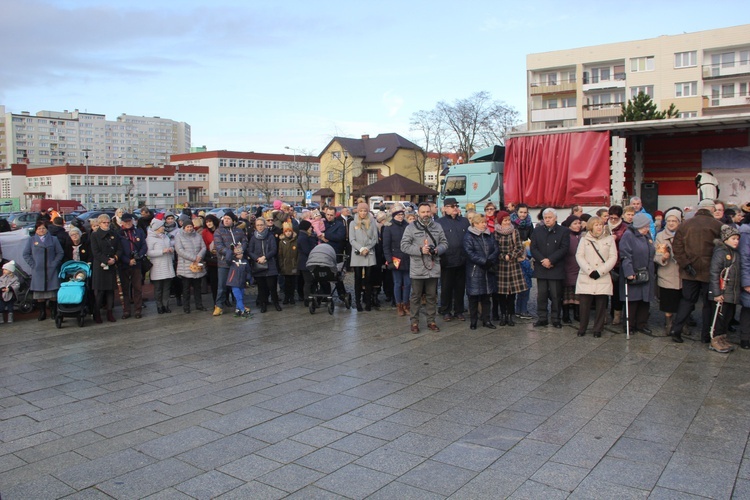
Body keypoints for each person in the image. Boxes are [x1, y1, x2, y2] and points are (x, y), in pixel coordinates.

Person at [669, 198, 724, 343]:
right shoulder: (718, 225)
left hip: (689, 270)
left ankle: (676, 329)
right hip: (709, 271)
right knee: (708, 304)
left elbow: (677, 248)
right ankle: (706, 335)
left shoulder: (685, 224)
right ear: (711, 209)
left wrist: (685, 264)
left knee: (687, 301)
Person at [401, 202, 448, 333]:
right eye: (423, 212)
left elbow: (445, 243)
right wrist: (420, 250)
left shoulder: (438, 227)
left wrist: (437, 249)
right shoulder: (411, 228)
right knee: (415, 296)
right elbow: (404, 246)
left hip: (433, 267)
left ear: (431, 213)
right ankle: (414, 322)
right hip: (417, 267)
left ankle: (431, 321)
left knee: (432, 296)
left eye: (428, 212)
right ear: (418, 213)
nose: (426, 214)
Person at [575, 216, 617, 337]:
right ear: (591, 227)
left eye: (600, 224)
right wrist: (589, 270)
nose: (599, 227)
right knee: (584, 305)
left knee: (601, 305)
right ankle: (582, 327)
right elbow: (579, 256)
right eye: (596, 225)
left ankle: (598, 328)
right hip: (586, 275)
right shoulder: (584, 239)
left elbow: (613, 257)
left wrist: (600, 271)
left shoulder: (609, 239)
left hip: (602, 276)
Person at [530, 208, 569, 328]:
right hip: (541, 267)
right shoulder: (537, 231)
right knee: (541, 294)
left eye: (550, 217)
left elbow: (564, 248)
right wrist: (543, 260)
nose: (547, 220)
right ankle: (542, 318)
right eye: (545, 217)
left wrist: (551, 260)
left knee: (556, 295)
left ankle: (556, 318)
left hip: (556, 267)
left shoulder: (563, 231)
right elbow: (533, 248)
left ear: (555, 218)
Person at [619, 213, 656, 335]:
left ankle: (642, 323)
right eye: (645, 226)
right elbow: (625, 255)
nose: (647, 229)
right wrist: (629, 272)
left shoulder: (646, 235)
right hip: (635, 272)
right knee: (633, 300)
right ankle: (629, 325)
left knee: (645, 300)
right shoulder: (628, 236)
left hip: (647, 272)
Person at [708, 225, 742, 353]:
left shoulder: (734, 253)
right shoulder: (721, 253)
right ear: (725, 239)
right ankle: (715, 339)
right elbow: (714, 273)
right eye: (733, 238)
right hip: (722, 292)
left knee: (727, 316)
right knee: (718, 317)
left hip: (730, 293)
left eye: (737, 239)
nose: (736, 241)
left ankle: (722, 337)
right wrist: (716, 293)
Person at [463, 213, 499, 330]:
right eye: (482, 222)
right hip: (475, 270)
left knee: (486, 297)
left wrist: (490, 260)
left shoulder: (489, 235)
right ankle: (473, 321)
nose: (485, 224)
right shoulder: (469, 236)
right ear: (475, 224)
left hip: (488, 270)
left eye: (485, 222)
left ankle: (486, 320)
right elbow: (470, 253)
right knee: (473, 297)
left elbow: (496, 248)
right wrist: (484, 261)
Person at [437, 197, 470, 322]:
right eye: (452, 206)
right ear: (445, 208)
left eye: (456, 205)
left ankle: (459, 310)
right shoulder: (440, 223)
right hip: (447, 260)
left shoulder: (464, 221)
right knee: (446, 287)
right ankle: (445, 310)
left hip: (461, 259)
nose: (455, 208)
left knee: (460, 288)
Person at [494, 210, 527, 326]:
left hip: (513, 265)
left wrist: (511, 255)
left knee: (512, 293)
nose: (507, 222)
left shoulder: (515, 232)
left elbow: (519, 247)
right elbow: (493, 249)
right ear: (500, 221)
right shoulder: (496, 233)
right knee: (502, 293)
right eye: (505, 220)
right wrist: (503, 256)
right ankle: (503, 314)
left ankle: (510, 315)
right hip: (501, 265)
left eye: (508, 220)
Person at [212, 212, 247, 316]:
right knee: (222, 286)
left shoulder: (239, 231)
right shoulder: (218, 231)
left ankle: (240, 305)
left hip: (237, 263)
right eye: (225, 218)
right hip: (224, 262)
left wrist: (240, 251)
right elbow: (219, 246)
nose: (226, 220)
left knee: (238, 285)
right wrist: (231, 253)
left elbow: (245, 242)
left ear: (233, 220)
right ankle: (219, 306)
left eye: (228, 218)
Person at [654, 209, 682, 334]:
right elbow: (657, 255)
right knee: (668, 301)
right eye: (669, 221)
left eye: (674, 221)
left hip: (682, 273)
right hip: (667, 273)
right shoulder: (661, 236)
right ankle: (668, 324)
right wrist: (663, 258)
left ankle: (682, 323)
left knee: (682, 300)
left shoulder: (684, 234)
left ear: (679, 222)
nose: (671, 223)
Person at [89, 214, 121, 323]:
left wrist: (115, 258)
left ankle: (109, 312)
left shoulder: (114, 234)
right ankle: (97, 313)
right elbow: (95, 252)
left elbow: (119, 248)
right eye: (104, 222)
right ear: (99, 223)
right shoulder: (94, 235)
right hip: (100, 266)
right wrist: (106, 260)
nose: (106, 224)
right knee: (100, 291)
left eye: (108, 222)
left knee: (110, 291)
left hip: (112, 264)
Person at [349, 202, 378, 311]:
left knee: (369, 279)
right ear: (358, 211)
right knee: (357, 279)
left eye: (365, 211)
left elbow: (375, 238)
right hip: (358, 254)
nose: (363, 213)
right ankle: (358, 302)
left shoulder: (372, 222)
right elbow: (352, 239)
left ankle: (368, 302)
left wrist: (367, 248)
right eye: (361, 210)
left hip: (369, 253)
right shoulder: (353, 223)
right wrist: (361, 249)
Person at [383, 206, 411, 317]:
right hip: (396, 259)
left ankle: (406, 304)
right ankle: (399, 305)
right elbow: (386, 246)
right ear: (394, 215)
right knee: (398, 283)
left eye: (402, 214)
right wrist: (389, 260)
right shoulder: (389, 227)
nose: (400, 216)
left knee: (408, 283)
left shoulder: (407, 226)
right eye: (398, 215)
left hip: (407, 258)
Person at [174, 217, 207, 314]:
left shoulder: (197, 236)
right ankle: (186, 306)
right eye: (187, 227)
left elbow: (203, 247)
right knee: (186, 288)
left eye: (191, 226)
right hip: (186, 266)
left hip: (197, 265)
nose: (189, 228)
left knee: (198, 287)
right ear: (184, 227)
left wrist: (199, 256)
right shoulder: (179, 236)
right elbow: (179, 250)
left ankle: (199, 304)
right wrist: (193, 258)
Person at [117, 213, 147, 319]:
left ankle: (138, 309)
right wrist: (127, 260)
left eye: (129, 221)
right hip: (124, 264)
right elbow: (118, 250)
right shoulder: (118, 233)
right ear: (122, 222)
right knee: (125, 288)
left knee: (137, 287)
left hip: (137, 263)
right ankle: (126, 310)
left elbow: (144, 245)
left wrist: (138, 256)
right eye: (125, 221)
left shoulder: (138, 231)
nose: (128, 223)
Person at [248, 217, 280, 312]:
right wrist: (257, 258)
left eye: (261, 225)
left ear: (265, 226)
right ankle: (263, 304)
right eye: (258, 225)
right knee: (261, 287)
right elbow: (250, 251)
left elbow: (274, 249)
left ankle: (276, 303)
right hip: (259, 265)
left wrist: (265, 257)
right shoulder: (253, 237)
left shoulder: (270, 236)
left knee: (272, 286)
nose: (260, 227)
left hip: (270, 264)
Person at [147, 218, 175, 314]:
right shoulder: (150, 238)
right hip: (157, 266)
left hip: (167, 264)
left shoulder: (166, 237)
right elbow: (149, 252)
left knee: (167, 287)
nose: (163, 227)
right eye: (162, 226)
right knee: (158, 288)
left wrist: (171, 249)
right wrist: (161, 251)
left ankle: (165, 304)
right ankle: (159, 305)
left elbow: (170, 246)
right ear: (157, 228)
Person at [606, 205, 628, 325]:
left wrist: (616, 237)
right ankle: (605, 313)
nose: (613, 220)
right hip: (605, 261)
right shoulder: (604, 225)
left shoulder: (625, 228)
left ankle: (617, 313)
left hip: (619, 262)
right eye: (611, 217)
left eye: (615, 218)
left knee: (617, 291)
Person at [561, 215, 582, 323]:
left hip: (579, 268)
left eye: (579, 223)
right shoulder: (566, 236)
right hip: (567, 267)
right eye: (575, 223)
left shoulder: (582, 236)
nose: (578, 225)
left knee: (577, 293)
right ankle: (565, 315)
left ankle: (577, 313)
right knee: (567, 292)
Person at [227, 244, 252, 318]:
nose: (240, 255)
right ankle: (242, 310)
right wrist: (230, 250)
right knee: (238, 297)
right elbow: (228, 258)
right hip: (234, 282)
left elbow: (248, 271)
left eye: (241, 253)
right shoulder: (232, 261)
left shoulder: (245, 261)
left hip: (242, 282)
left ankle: (238, 309)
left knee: (241, 296)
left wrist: (248, 279)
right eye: (238, 254)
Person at [277, 222, 299, 304]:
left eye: (290, 231)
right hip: (285, 265)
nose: (288, 233)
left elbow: (298, 254)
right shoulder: (282, 242)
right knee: (286, 282)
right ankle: (286, 297)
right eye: (286, 231)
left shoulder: (296, 241)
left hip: (293, 265)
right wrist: (281, 264)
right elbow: (280, 254)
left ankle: (292, 297)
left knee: (292, 282)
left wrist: (296, 263)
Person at [296, 220, 316, 306]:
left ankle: (309, 298)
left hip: (304, 262)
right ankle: (307, 299)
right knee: (308, 282)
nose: (311, 229)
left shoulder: (303, 236)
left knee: (309, 281)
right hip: (305, 263)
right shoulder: (304, 237)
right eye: (310, 227)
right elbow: (307, 250)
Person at [202, 214, 220, 305]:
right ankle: (215, 301)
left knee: (223, 281)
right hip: (212, 260)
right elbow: (204, 245)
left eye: (210, 221)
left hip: (221, 258)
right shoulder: (204, 232)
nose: (208, 223)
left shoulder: (220, 229)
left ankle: (225, 300)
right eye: (207, 222)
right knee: (214, 282)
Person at [739, 214, 750, 350]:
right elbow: (744, 258)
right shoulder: (746, 232)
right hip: (748, 276)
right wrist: (746, 281)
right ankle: (745, 337)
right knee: (748, 308)